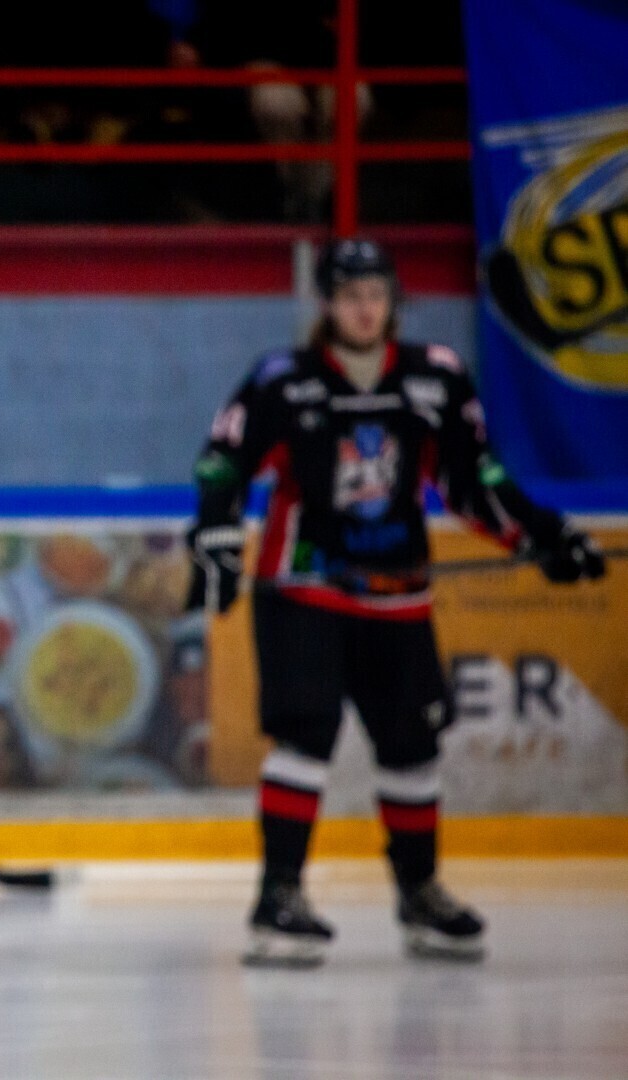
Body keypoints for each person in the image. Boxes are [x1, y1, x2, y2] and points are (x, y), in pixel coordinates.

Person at [185, 237, 606, 967]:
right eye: (350, 296)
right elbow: (223, 460)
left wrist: (539, 534)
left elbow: (475, 477)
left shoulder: (435, 377)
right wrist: (215, 533)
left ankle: (419, 892)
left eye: (376, 294)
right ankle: (279, 895)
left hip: (398, 594)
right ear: (327, 304)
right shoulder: (283, 380)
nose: (364, 308)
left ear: (393, 302)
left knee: (412, 746)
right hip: (305, 588)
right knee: (305, 736)